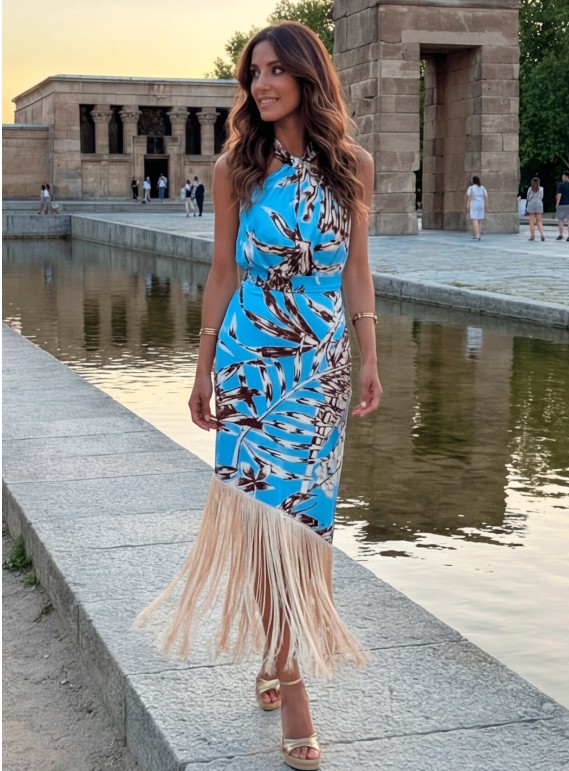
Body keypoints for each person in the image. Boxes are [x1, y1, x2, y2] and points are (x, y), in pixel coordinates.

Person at [135, 21, 383, 771]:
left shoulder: (354, 169)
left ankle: (279, 652)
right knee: (259, 519)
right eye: (252, 74)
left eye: (275, 70)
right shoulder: (235, 169)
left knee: (304, 526)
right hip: (251, 362)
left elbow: (357, 273)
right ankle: (296, 688)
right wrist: (203, 367)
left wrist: (370, 357)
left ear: (309, 77)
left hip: (321, 366)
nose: (260, 85)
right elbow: (220, 273)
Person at [555, 171, 569, 241]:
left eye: (563, 176)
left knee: (561, 220)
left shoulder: (561, 185)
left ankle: (561, 235)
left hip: (562, 205)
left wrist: (557, 204)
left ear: (566, 176)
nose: (562, 177)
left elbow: (559, 195)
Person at [466, 176, 488, 240]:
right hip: (481, 204)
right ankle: (478, 234)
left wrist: (467, 205)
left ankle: (477, 234)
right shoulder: (483, 188)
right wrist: (486, 204)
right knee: (479, 220)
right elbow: (486, 196)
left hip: (474, 204)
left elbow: (470, 197)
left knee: (474, 219)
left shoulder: (471, 188)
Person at [526, 177, 545, 241]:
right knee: (539, 221)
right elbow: (542, 197)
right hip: (539, 204)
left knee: (531, 222)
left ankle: (532, 236)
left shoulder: (530, 189)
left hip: (531, 204)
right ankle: (542, 234)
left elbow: (528, 197)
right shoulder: (541, 189)